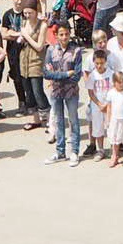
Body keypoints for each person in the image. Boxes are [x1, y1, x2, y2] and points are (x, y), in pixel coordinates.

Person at [42, 19, 83, 165]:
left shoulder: (76, 51)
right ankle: (60, 152)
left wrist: (58, 76)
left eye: (66, 34)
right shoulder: (51, 50)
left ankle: (75, 151)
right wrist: (65, 75)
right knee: (58, 121)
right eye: (61, 34)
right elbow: (46, 73)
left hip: (71, 92)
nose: (64, 37)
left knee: (73, 120)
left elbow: (77, 75)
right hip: (56, 91)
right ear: (57, 35)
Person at [15, 1, 48, 130]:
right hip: (24, 61)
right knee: (29, 92)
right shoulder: (24, 23)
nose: (27, 15)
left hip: (36, 61)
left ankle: (48, 118)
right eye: (25, 13)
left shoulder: (42, 25)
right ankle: (36, 119)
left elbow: (40, 46)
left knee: (38, 91)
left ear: (36, 11)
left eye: (30, 13)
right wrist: (21, 38)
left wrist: (26, 36)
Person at [83, 47, 113, 160]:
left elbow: (114, 90)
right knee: (98, 127)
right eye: (97, 63)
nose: (99, 66)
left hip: (109, 105)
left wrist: (107, 104)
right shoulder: (92, 76)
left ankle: (113, 149)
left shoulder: (111, 73)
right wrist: (99, 104)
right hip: (97, 106)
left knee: (111, 127)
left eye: (101, 63)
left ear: (105, 61)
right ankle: (100, 149)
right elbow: (90, 93)